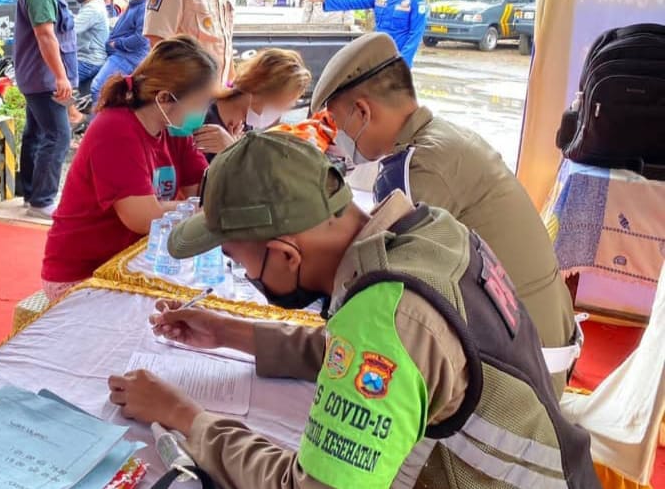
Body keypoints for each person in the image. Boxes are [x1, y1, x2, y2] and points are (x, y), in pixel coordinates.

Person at [107, 131, 599, 489]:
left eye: (238, 261)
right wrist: (231, 333)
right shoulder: (430, 231)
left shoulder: (387, 318)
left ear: (285, 254)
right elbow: (372, 352)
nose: (247, 278)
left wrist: (183, 416)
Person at [310, 32, 578, 397]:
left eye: (336, 126)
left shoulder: (414, 167)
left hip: (518, 382)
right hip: (546, 348)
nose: (336, 142)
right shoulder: (444, 138)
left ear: (362, 111)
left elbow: (383, 290)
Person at [41, 36, 215, 299]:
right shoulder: (115, 130)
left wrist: (229, 150)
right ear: (165, 98)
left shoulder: (173, 130)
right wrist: (194, 208)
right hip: (83, 276)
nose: (204, 113)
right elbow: (143, 217)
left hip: (133, 262)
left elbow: (203, 192)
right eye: (201, 103)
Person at [14, 0, 78, 219]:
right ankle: (42, 201)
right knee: (59, 136)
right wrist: (61, 77)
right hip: (44, 78)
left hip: (37, 76)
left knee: (37, 133)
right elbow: (46, 36)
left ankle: (30, 193)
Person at [194, 48, 311, 160]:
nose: (278, 116)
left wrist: (233, 148)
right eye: (278, 106)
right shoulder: (201, 120)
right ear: (259, 91)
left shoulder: (245, 126)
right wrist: (232, 152)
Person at [90, 0, 154, 102]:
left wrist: (117, 43)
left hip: (128, 56)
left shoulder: (143, 8)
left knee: (98, 88)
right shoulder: (135, 4)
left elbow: (141, 38)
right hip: (122, 54)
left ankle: (99, 123)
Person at [74, 0, 109, 97]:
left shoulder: (92, 9)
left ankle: (73, 114)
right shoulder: (92, 5)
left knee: (59, 83)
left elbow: (71, 29)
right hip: (85, 56)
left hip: (89, 60)